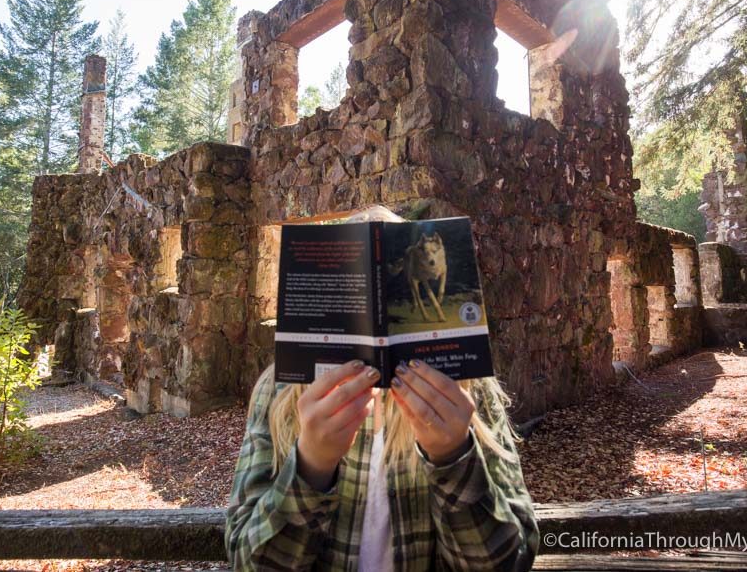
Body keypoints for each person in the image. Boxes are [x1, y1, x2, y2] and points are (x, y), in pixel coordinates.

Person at [224, 208, 539, 571]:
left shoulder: (467, 388)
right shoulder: (278, 390)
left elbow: (511, 561)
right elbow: (249, 562)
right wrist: (312, 464)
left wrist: (452, 456)